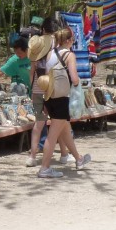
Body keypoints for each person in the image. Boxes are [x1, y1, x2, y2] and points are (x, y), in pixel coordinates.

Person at [37, 27, 90, 178]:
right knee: (52, 135)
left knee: (65, 129)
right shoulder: (69, 55)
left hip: (50, 97)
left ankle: (78, 159)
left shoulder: (50, 54)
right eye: (72, 40)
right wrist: (77, 83)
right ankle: (44, 168)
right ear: (68, 41)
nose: (73, 42)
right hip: (62, 98)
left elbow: (46, 77)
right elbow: (74, 78)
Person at [25, 34, 68, 168]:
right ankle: (64, 154)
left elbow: (31, 76)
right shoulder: (51, 58)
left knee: (38, 125)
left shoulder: (34, 61)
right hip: (51, 93)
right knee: (58, 124)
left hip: (37, 93)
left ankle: (32, 157)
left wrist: (32, 90)